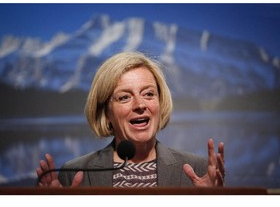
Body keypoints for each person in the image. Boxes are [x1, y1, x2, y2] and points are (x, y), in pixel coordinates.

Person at [36, 51, 225, 188]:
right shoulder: (75, 173)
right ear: (106, 113)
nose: (140, 104)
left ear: (160, 103)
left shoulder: (196, 169)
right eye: (124, 97)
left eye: (149, 94)